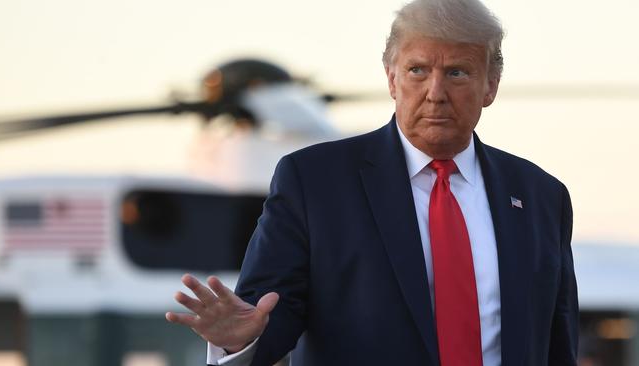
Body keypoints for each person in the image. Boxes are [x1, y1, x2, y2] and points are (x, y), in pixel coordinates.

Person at [166, 0, 579, 364]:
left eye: (457, 72)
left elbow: (557, 343)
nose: (435, 92)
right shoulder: (314, 182)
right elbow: (268, 311)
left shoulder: (541, 196)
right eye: (418, 70)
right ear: (391, 78)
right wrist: (243, 341)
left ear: (490, 85)